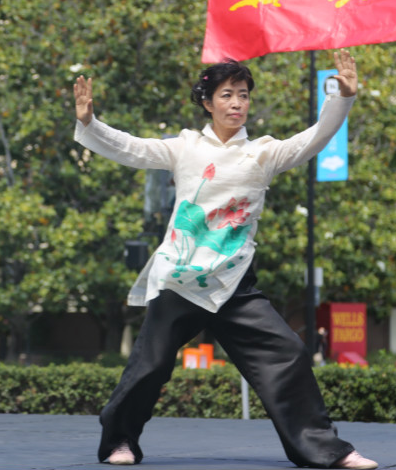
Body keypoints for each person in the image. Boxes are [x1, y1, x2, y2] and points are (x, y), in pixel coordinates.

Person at [73, 50, 378, 469]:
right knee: (150, 365)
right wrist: (90, 122)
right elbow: (134, 149)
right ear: (207, 102)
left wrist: (341, 98)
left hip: (234, 282)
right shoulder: (185, 148)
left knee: (289, 353)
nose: (237, 103)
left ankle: (327, 451)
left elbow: (313, 141)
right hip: (180, 279)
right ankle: (118, 443)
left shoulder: (263, 153)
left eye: (243, 95)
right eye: (227, 95)